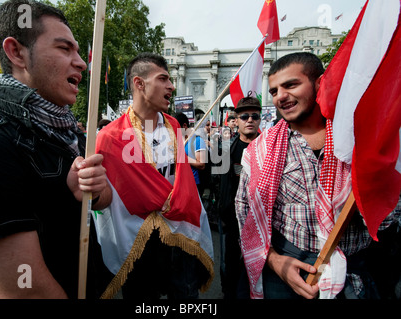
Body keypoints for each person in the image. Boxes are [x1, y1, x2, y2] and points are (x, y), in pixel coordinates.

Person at [0, 0, 112, 299]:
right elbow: (27, 292)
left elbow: (102, 201)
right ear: (16, 53)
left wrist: (96, 188)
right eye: (65, 49)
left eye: (78, 51)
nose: (81, 62)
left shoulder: (69, 132)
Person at [235, 52, 400, 299]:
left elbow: (388, 217)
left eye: (291, 85)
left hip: (355, 273)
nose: (280, 96)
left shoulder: (357, 140)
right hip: (287, 275)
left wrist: (371, 192)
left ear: (320, 83)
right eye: (274, 91)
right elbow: (244, 211)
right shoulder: (260, 150)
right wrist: (275, 262)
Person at [94, 52, 214, 299]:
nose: (171, 86)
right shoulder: (109, 137)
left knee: (185, 296)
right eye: (163, 79)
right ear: (139, 83)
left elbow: (181, 178)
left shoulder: (174, 126)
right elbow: (103, 198)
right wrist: (91, 191)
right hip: (138, 240)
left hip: (180, 232)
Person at [218, 97, 261, 299]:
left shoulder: (270, 149)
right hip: (232, 221)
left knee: (258, 268)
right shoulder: (227, 149)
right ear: (237, 119)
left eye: (254, 116)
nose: (249, 119)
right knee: (230, 267)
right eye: (244, 116)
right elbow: (220, 183)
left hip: (260, 221)